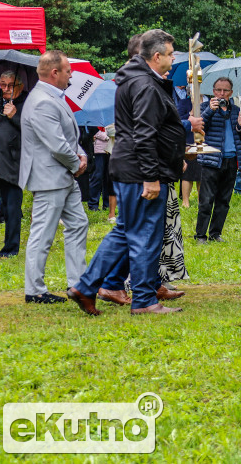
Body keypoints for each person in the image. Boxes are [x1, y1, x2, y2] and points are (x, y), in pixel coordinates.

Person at [69, 29, 190, 315]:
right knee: (145, 235)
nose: (173, 59)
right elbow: (144, 135)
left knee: (126, 231)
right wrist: (151, 176)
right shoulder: (145, 86)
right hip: (141, 170)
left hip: (131, 166)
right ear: (157, 56)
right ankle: (145, 300)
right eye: (171, 54)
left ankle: (86, 287)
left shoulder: (135, 80)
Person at [20, 51, 88, 304]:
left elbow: (68, 137)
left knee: (79, 224)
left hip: (63, 175)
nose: (71, 74)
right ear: (54, 73)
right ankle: (34, 290)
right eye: (68, 70)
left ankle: (78, 284)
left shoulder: (52, 97)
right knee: (43, 233)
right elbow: (57, 144)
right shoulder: (41, 101)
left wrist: (80, 155)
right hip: (50, 176)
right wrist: (76, 163)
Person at [194, 77, 241, 243]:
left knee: (224, 201)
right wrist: (210, 110)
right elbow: (200, 128)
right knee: (206, 200)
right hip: (211, 159)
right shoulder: (204, 107)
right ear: (213, 91)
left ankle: (215, 233)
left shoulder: (236, 110)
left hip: (231, 160)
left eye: (225, 90)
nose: (221, 93)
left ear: (231, 93)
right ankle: (200, 235)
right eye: (218, 90)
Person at [0, 71, 26, 258]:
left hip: (14, 163)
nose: (5, 89)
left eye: (10, 85)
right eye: (2, 84)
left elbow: (33, 132)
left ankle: (10, 250)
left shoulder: (27, 104)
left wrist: (15, 116)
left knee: (12, 209)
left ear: (19, 86)